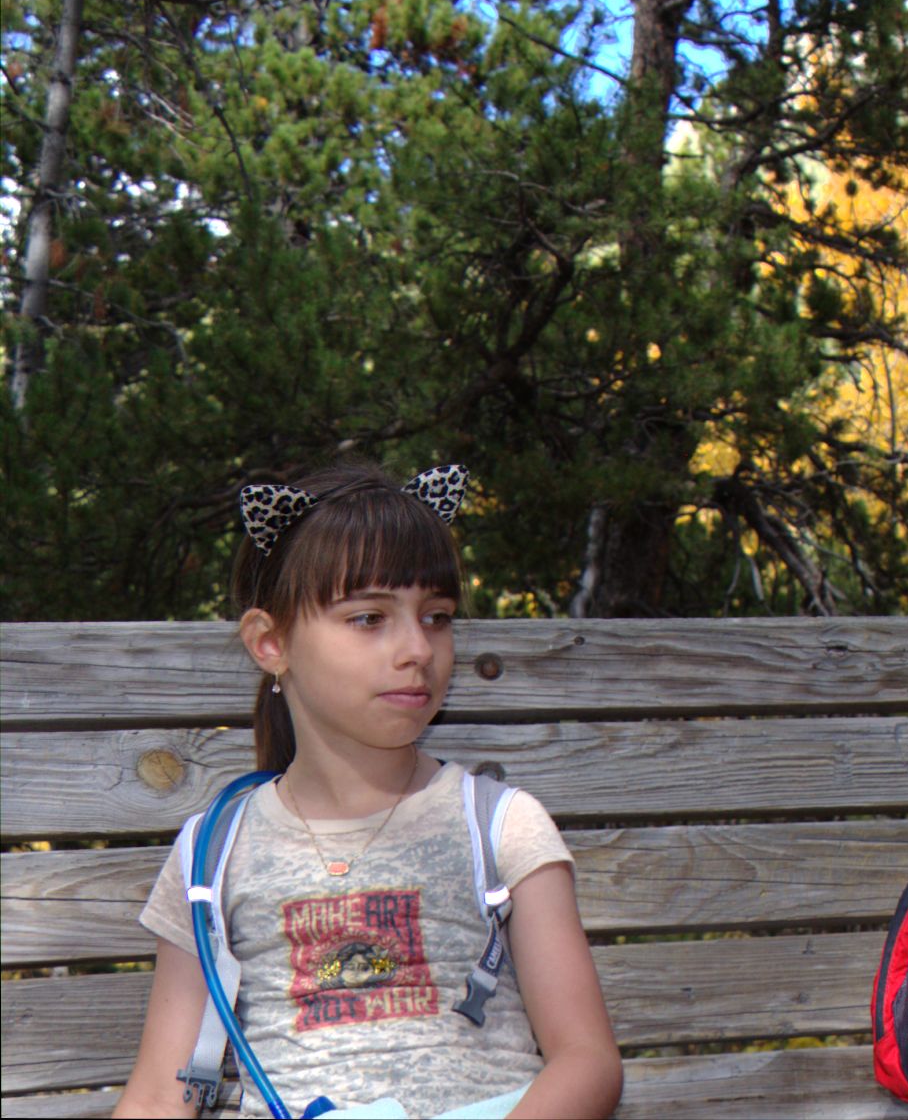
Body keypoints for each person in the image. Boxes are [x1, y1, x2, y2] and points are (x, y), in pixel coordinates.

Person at [115, 461, 623, 1119]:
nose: (417, 647)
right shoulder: (212, 854)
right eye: (369, 618)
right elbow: (160, 1094)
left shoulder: (499, 827)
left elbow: (587, 1058)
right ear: (271, 642)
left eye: (436, 616)